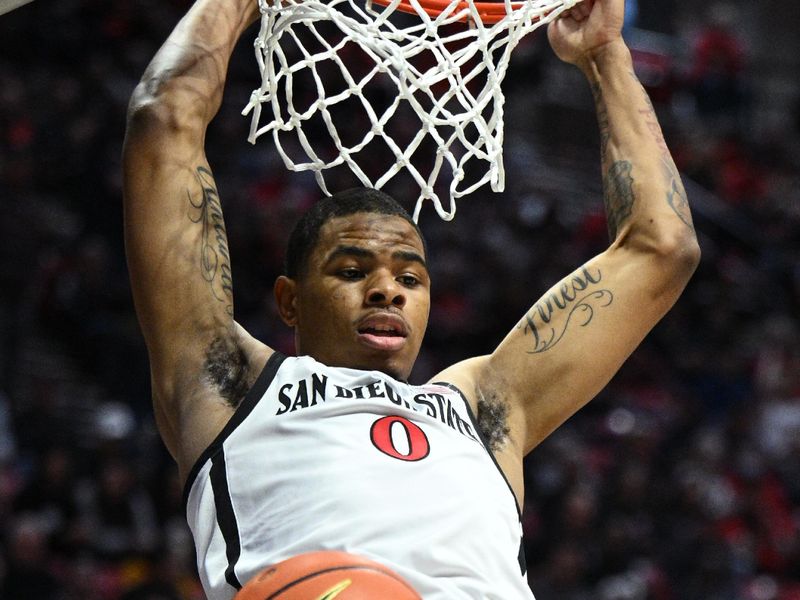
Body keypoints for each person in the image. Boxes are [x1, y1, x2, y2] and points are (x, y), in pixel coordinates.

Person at [122, 0, 700, 598]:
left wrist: (606, 53)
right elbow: (164, 118)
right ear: (290, 302)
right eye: (351, 270)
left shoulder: (485, 408)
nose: (386, 291)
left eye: (410, 278)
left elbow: (663, 247)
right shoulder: (230, 383)